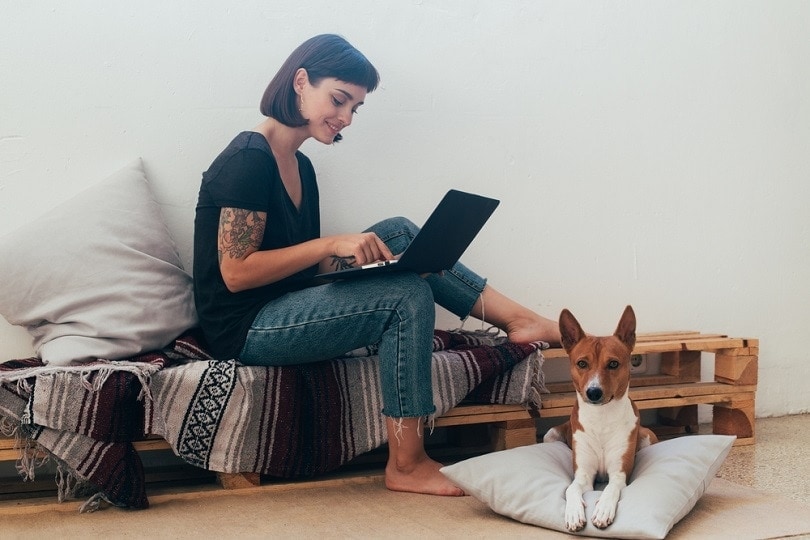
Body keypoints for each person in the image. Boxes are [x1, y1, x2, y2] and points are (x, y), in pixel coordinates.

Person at [193, 34, 561, 497]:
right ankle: (406, 464)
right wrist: (331, 245)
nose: (346, 118)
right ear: (301, 82)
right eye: (339, 100)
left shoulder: (299, 165)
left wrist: (350, 258)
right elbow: (236, 272)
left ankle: (519, 320)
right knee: (405, 296)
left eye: (355, 108)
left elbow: (297, 265)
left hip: (283, 302)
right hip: (243, 328)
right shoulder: (249, 159)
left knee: (402, 233)